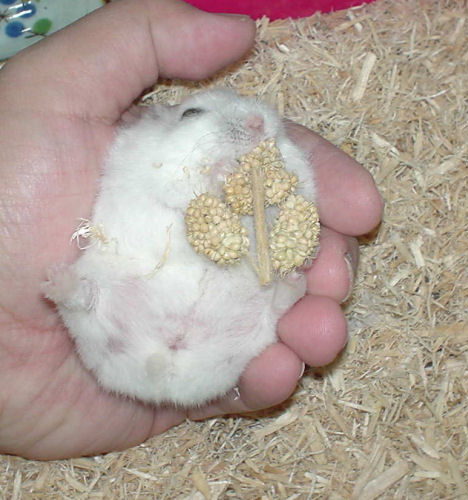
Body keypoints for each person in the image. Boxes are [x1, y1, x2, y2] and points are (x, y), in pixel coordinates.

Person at [0, 0, 382, 460]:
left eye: (275, 136)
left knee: (272, 295)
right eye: (197, 115)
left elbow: (287, 213)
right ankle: (81, 301)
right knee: (94, 285)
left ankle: (278, 299)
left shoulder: (278, 168)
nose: (255, 125)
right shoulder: (138, 157)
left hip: (213, 362)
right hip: (123, 341)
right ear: (156, 125)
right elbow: (166, 188)